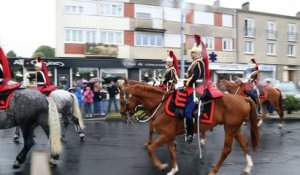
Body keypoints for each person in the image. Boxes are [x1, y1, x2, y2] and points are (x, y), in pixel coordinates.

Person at [184, 34, 210, 143]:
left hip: (198, 89)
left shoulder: (199, 63)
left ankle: (190, 134)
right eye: (191, 52)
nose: (191, 54)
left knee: (187, 112)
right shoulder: (194, 63)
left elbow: (194, 77)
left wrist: (186, 82)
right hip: (193, 88)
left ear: (197, 53)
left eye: (192, 52)